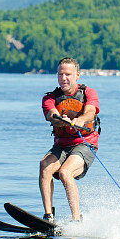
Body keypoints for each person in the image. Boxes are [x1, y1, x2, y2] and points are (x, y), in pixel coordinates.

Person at [39, 57, 100, 222]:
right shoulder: (50, 98)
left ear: (77, 75)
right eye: (60, 74)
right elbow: (50, 115)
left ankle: (76, 220)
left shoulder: (88, 93)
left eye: (68, 74)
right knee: (44, 166)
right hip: (61, 146)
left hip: (85, 143)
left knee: (66, 172)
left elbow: (90, 112)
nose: (63, 78)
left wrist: (80, 120)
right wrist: (58, 119)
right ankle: (48, 217)